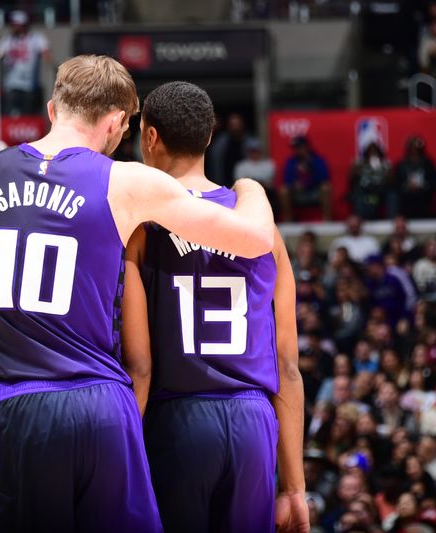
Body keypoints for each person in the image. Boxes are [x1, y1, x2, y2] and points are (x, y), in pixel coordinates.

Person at [0, 55, 275, 532]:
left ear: (52, 109)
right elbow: (254, 239)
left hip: (20, 405)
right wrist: (251, 187)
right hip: (103, 407)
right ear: (115, 123)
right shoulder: (127, 181)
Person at [122, 81, 307, 533]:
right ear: (208, 138)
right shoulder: (264, 232)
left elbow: (139, 364)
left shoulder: (143, 228)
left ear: (149, 137)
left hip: (178, 419)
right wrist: (294, 488)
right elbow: (287, 364)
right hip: (253, 421)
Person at [0, 10, 51, 116]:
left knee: (28, 113)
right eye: (14, 25)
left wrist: (46, 56)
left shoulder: (36, 39)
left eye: (18, 25)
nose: (16, 28)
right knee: (9, 112)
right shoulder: (7, 40)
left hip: (29, 84)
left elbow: (46, 54)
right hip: (11, 83)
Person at [279, 136, 331, 221]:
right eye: (295, 148)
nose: (296, 150)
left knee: (326, 187)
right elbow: (287, 179)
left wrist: (308, 182)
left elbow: (324, 177)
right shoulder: (291, 162)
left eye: (299, 147)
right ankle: (288, 220)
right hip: (297, 192)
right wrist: (294, 185)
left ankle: (327, 220)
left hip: (314, 190)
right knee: (283, 190)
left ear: (306, 147)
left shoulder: (318, 160)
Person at [393, 136, 436, 219]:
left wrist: (423, 185)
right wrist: (406, 186)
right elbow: (396, 182)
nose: (414, 150)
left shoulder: (428, 163)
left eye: (417, 148)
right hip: (405, 195)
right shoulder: (401, 164)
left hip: (423, 194)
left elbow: (435, 180)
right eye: (412, 147)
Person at [349, 142, 394, 219]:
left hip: (380, 194)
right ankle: (360, 222)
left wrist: (383, 168)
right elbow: (352, 179)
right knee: (360, 196)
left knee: (391, 195)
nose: (373, 154)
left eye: (375, 151)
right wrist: (359, 167)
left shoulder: (385, 164)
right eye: (370, 151)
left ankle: (392, 221)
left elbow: (391, 181)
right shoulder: (360, 163)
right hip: (365, 194)